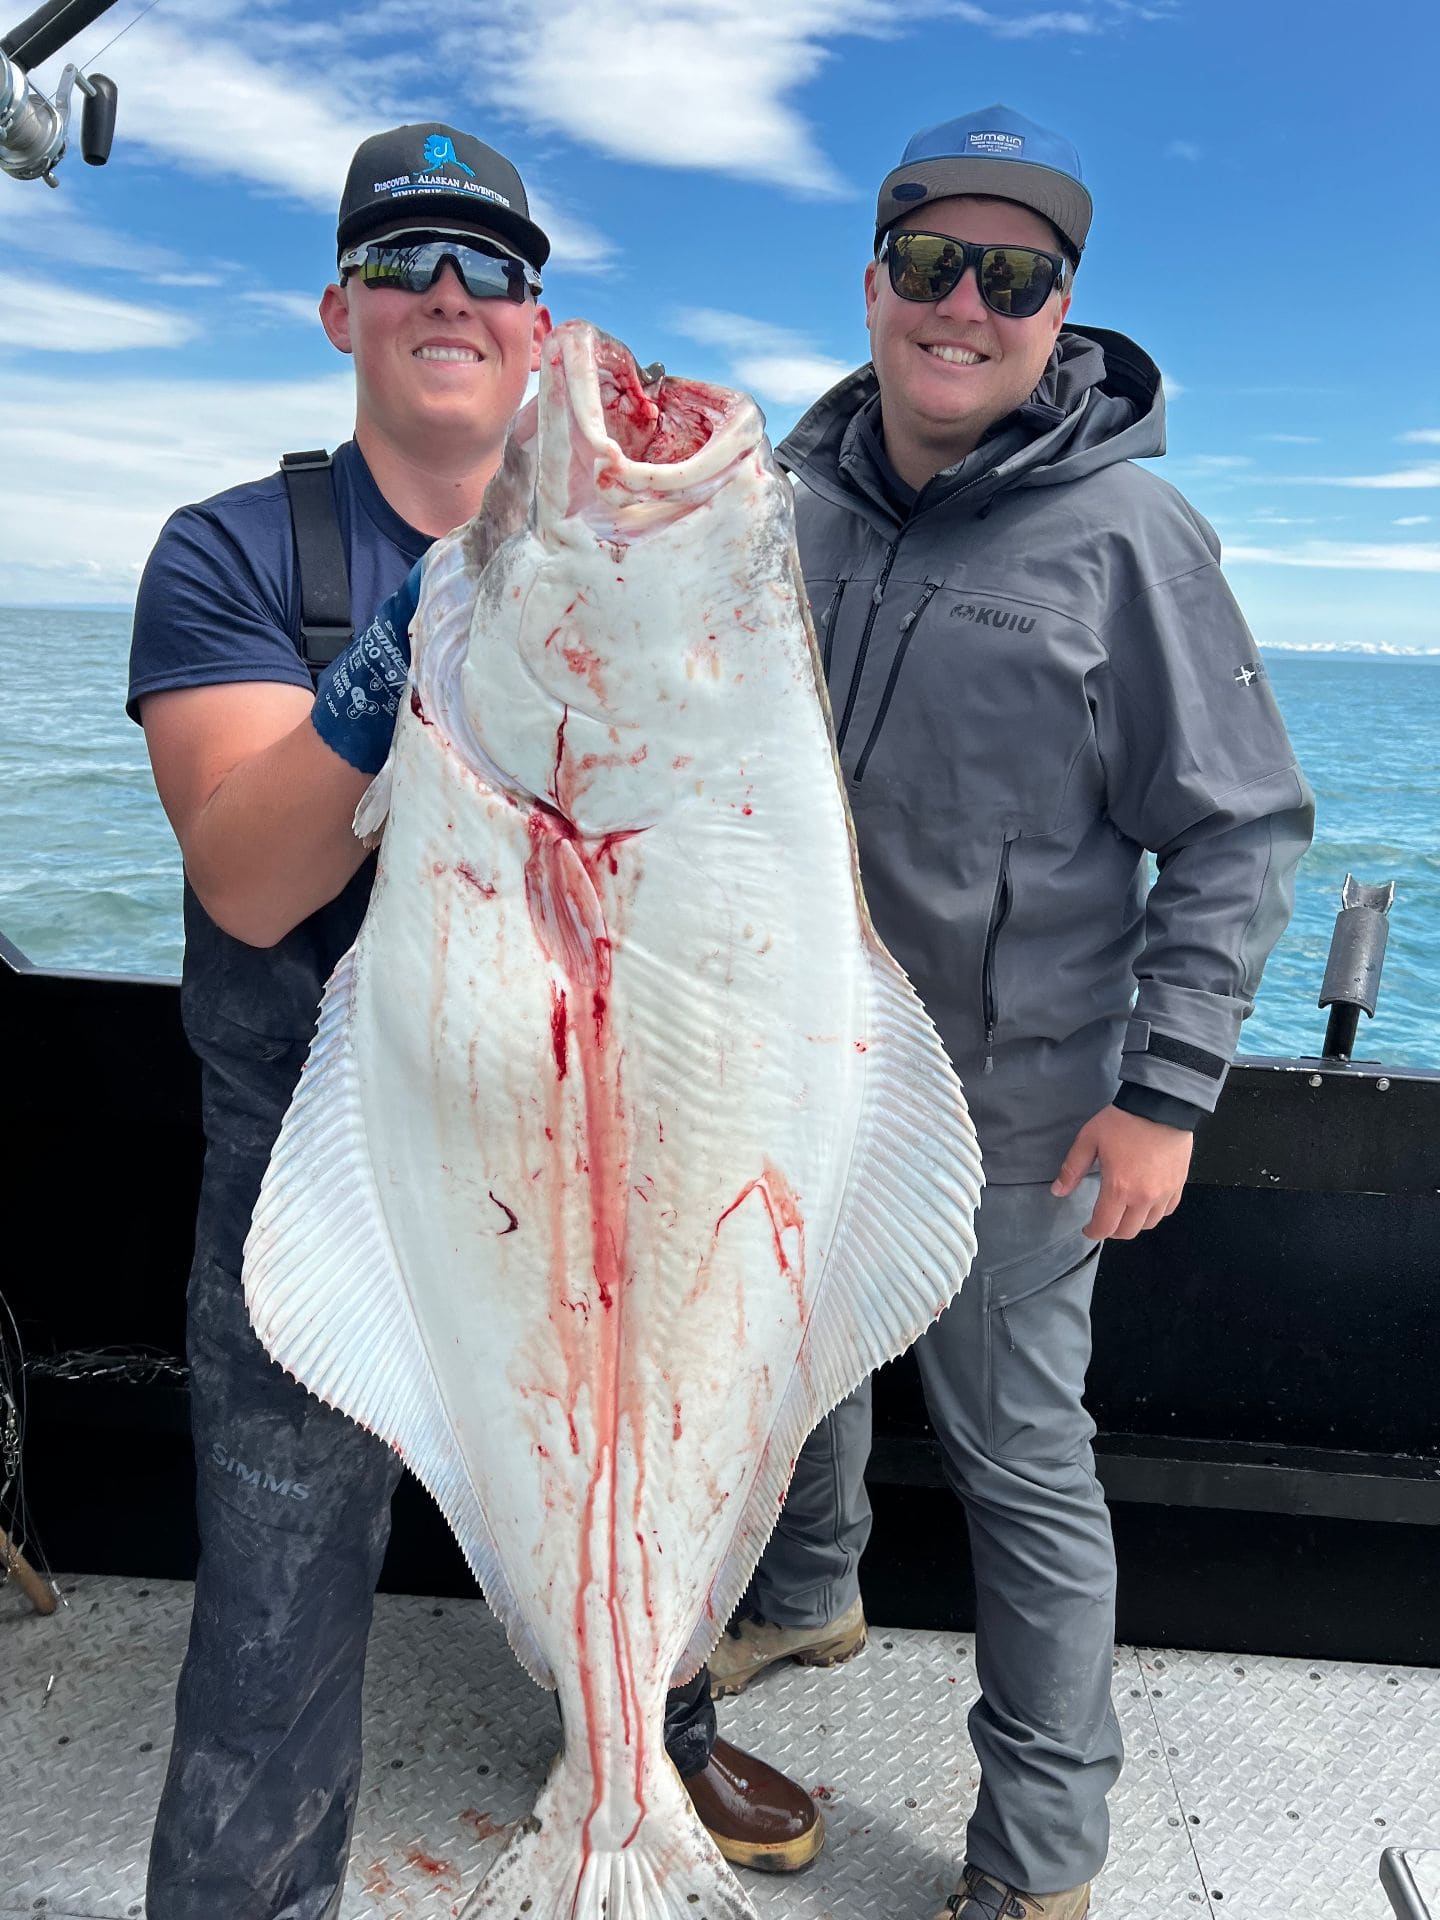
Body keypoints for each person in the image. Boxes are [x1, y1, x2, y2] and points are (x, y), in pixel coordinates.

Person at [129, 120, 821, 1920]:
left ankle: (641, 1745)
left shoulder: (618, 556)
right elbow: (250, 884)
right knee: (275, 1624)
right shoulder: (231, 554)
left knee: (667, 1465)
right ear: (339, 308)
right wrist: (423, 638)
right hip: (332, 1178)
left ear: (533, 323)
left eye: (489, 267)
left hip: (626, 1146)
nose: (448, 291)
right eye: (402, 258)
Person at [709, 105, 1315, 1920]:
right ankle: (807, 1595)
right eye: (928, 261)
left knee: (1021, 1468)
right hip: (781, 1078)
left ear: (1062, 314)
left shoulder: (1135, 539)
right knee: (783, 1376)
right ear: (873, 284)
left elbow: (1240, 828)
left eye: (1012, 276)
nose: (962, 303)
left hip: (1015, 1116)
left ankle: (1041, 1859)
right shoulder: (781, 507)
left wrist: (1168, 1092)